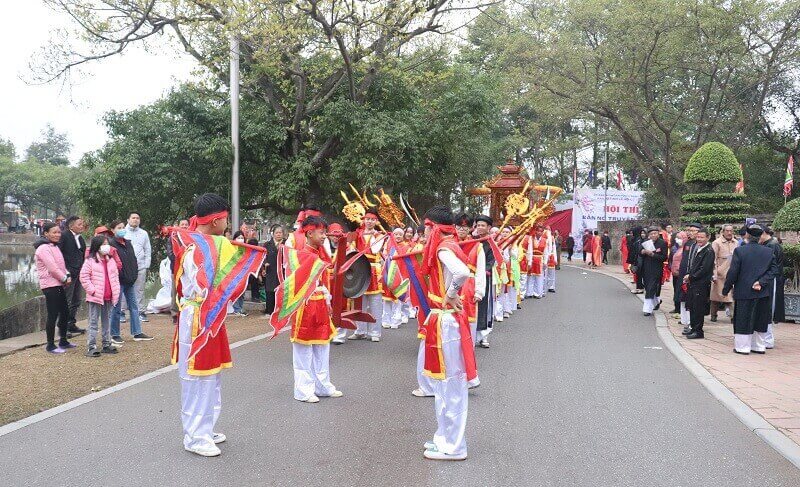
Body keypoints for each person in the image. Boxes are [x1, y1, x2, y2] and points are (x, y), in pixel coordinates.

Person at [171, 193, 265, 457]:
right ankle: (194, 437)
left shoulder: (213, 243)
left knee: (211, 375)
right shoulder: (195, 248)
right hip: (197, 316)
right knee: (196, 377)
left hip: (212, 314)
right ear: (215, 221)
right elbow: (203, 284)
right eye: (225, 219)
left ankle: (205, 428)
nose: (227, 224)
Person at [418, 205, 474, 461]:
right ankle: (444, 438)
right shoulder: (450, 245)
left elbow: (462, 273)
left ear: (434, 227)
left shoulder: (443, 248)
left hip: (447, 320)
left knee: (450, 384)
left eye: (427, 227)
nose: (424, 233)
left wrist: (450, 294)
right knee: (443, 384)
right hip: (442, 320)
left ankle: (454, 446)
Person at [287, 215, 343, 403]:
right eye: (321, 232)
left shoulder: (322, 254)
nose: (324, 236)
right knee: (303, 351)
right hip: (304, 306)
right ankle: (303, 390)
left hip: (320, 305)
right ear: (309, 233)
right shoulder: (299, 255)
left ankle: (323, 386)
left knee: (322, 347)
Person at [722, 225, 775, 355]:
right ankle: (759, 346)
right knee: (760, 318)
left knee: (743, 318)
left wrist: (726, 289)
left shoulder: (740, 251)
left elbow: (733, 273)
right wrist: (761, 282)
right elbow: (774, 270)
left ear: (747, 235)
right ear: (760, 236)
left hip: (744, 290)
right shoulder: (768, 251)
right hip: (762, 291)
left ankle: (743, 347)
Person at [34, 222, 76, 354]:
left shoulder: (54, 246)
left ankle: (63, 340)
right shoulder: (43, 248)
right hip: (50, 285)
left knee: (65, 312)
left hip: (58, 284)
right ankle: (50, 345)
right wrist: (64, 278)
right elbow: (52, 268)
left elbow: (61, 265)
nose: (57, 234)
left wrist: (67, 274)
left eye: (59, 232)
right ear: (46, 233)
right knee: (53, 314)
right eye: (54, 232)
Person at [109, 220, 152, 344]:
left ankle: (137, 332)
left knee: (134, 307)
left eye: (123, 227)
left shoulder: (128, 243)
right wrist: (121, 276)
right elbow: (113, 265)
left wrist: (133, 275)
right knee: (116, 308)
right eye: (119, 227)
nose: (122, 229)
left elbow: (133, 260)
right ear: (113, 230)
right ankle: (115, 334)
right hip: (118, 281)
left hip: (130, 280)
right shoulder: (111, 245)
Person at [80, 235, 121, 356]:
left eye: (107, 243)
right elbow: (84, 277)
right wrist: (92, 290)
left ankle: (106, 344)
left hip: (108, 296)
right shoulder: (90, 261)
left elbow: (115, 277)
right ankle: (91, 346)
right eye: (103, 243)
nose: (106, 246)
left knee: (107, 321)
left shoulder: (111, 260)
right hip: (96, 297)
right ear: (97, 246)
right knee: (93, 321)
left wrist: (116, 291)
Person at [348, 209, 386, 342]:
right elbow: (351, 249)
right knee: (360, 301)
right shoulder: (357, 234)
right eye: (367, 219)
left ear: (376, 221)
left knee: (375, 302)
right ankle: (360, 330)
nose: (369, 222)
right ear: (363, 220)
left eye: (372, 219)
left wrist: (374, 235)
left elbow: (374, 250)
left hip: (373, 269)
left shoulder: (380, 236)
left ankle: (375, 332)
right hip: (360, 269)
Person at [683, 228, 715, 339]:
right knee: (692, 306)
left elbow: (704, 269)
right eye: (698, 237)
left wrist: (691, 276)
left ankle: (698, 331)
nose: (699, 239)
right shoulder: (698, 248)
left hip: (701, 283)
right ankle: (693, 327)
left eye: (702, 237)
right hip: (693, 282)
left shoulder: (709, 251)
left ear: (708, 237)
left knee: (698, 307)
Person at [58, 215, 86, 336]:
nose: (82, 226)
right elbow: (58, 255)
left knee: (76, 300)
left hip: (78, 273)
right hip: (68, 273)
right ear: (71, 226)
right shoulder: (64, 236)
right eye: (79, 224)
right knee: (66, 301)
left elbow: (82, 254)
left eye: (82, 224)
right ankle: (62, 327)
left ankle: (71, 324)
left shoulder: (80, 238)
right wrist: (65, 272)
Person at [124, 212, 152, 324]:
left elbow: (147, 249)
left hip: (140, 265)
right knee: (123, 288)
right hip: (126, 266)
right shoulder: (123, 232)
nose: (135, 220)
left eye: (137, 218)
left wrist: (146, 264)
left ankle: (140, 312)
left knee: (139, 289)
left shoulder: (144, 233)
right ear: (128, 220)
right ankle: (122, 311)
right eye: (133, 218)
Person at [760, 227, 784, 349]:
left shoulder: (772, 246)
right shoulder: (770, 244)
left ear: (765, 233)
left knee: (769, 307)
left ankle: (768, 339)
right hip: (771, 279)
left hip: (771, 280)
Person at [473, 215, 495, 348]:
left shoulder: (491, 242)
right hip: (471, 277)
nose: (480, 227)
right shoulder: (471, 240)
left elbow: (491, 261)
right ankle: (473, 335)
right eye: (478, 225)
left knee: (484, 305)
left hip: (485, 276)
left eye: (483, 225)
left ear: (489, 228)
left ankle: (484, 336)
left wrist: (483, 270)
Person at [381, 227, 407, 329]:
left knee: (398, 298)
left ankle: (396, 321)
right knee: (387, 299)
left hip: (399, 275)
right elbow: (384, 256)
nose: (398, 236)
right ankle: (386, 320)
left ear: (403, 236)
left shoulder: (405, 246)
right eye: (396, 234)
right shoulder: (388, 244)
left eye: (400, 234)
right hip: (388, 273)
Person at [710, 224, 737, 322]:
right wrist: (714, 273)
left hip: (733, 271)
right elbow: (713, 259)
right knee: (717, 296)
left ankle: (733, 317)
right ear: (723, 231)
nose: (729, 233)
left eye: (731, 231)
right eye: (727, 231)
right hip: (721, 273)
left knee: (730, 296)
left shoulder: (736, 243)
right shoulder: (716, 243)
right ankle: (714, 315)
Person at [639, 227, 667, 316]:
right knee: (648, 287)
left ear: (658, 234)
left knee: (651, 287)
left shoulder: (663, 243)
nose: (653, 235)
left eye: (655, 233)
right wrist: (642, 251)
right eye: (651, 234)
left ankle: (647, 309)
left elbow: (664, 257)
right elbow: (639, 252)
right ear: (649, 235)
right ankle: (657, 301)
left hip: (656, 269)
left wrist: (652, 254)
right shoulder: (645, 242)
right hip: (646, 268)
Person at [678, 223, 700, 333]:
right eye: (689, 230)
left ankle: (692, 323)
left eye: (693, 230)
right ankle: (685, 320)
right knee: (683, 296)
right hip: (684, 273)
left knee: (692, 299)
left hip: (694, 276)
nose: (690, 232)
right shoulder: (688, 243)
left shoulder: (699, 245)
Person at [263, 224, 284, 315]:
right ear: (273, 234)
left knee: (281, 290)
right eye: (277, 233)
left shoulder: (287, 244)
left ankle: (279, 310)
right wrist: (264, 264)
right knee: (270, 290)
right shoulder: (267, 244)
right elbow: (263, 256)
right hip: (270, 270)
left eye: (280, 232)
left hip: (282, 271)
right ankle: (269, 310)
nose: (279, 234)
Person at [230, 231, 248, 317]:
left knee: (242, 291)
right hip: (234, 274)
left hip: (244, 273)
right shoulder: (231, 248)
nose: (240, 240)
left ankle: (240, 308)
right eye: (239, 238)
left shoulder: (247, 249)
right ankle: (236, 309)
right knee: (235, 291)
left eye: (242, 238)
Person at [669, 231, 687, 314]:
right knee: (676, 290)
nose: (677, 240)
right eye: (677, 238)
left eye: (679, 238)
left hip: (681, 274)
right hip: (674, 273)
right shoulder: (675, 248)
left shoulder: (686, 248)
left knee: (681, 291)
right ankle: (676, 308)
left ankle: (681, 310)